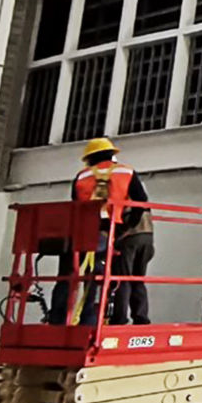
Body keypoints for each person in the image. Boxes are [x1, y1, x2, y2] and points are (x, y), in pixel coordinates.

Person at [73, 137, 154, 326]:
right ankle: (141, 319)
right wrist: (127, 226)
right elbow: (142, 202)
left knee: (112, 278)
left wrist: (122, 231)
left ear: (90, 158)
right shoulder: (126, 172)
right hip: (136, 233)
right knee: (137, 278)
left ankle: (110, 319)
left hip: (98, 232)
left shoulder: (82, 176)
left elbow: (75, 207)